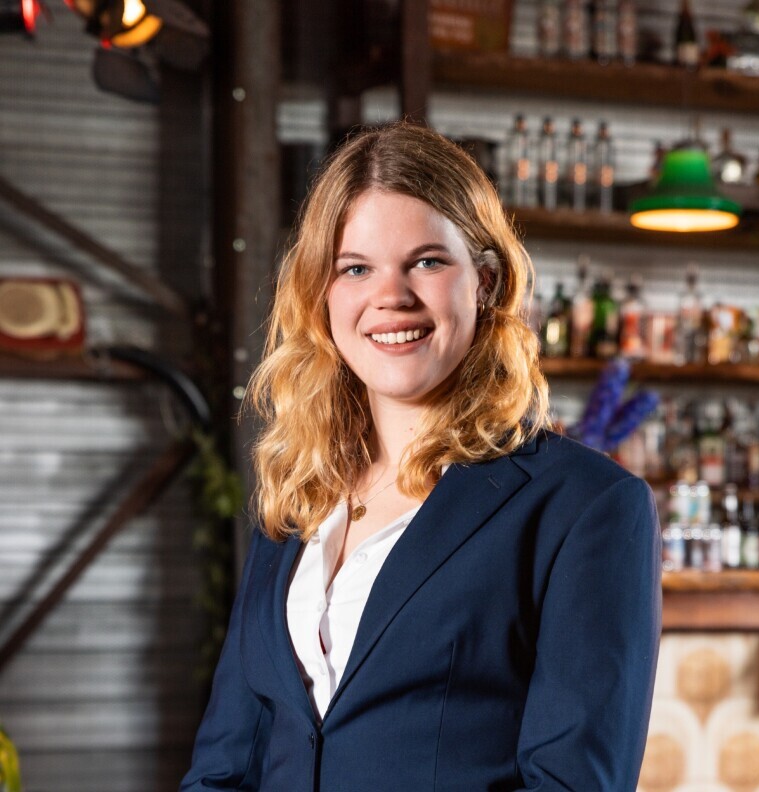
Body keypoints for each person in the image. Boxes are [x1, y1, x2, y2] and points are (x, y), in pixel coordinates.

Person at [180, 122, 661, 792]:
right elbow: (224, 765)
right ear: (323, 294)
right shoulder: (298, 496)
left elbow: (571, 782)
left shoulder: (585, 507)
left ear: (485, 281)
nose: (391, 296)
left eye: (427, 262)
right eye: (355, 268)